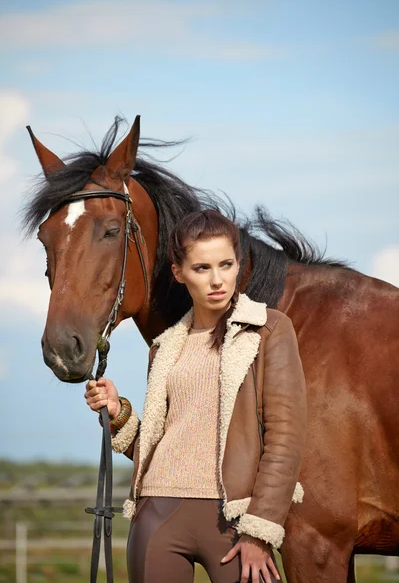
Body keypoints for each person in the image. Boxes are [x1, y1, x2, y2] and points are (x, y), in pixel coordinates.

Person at [85, 209, 307, 583]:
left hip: (235, 523)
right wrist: (117, 412)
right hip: (157, 515)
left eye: (226, 264)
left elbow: (286, 440)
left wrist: (260, 530)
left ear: (239, 264)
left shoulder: (269, 330)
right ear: (179, 273)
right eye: (202, 268)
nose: (217, 280)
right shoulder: (164, 347)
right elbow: (158, 443)